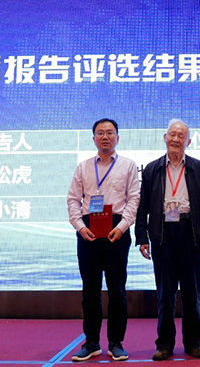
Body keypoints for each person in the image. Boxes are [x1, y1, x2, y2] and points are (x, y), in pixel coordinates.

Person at [135, 119, 200, 361]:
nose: (176, 139)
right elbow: (142, 207)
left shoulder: (198, 168)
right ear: (165, 137)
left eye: (181, 136)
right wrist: (142, 236)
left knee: (192, 293)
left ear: (188, 142)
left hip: (190, 233)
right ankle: (164, 344)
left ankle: (194, 343)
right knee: (165, 293)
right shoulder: (152, 169)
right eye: (172, 134)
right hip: (162, 234)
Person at [67, 118, 140, 362]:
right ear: (94, 138)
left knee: (117, 289)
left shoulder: (128, 166)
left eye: (110, 133)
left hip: (116, 231)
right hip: (88, 231)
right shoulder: (83, 167)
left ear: (117, 137)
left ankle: (116, 343)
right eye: (100, 133)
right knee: (90, 289)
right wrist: (80, 227)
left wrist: (121, 227)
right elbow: (73, 200)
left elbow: (134, 200)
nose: (105, 137)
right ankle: (91, 342)